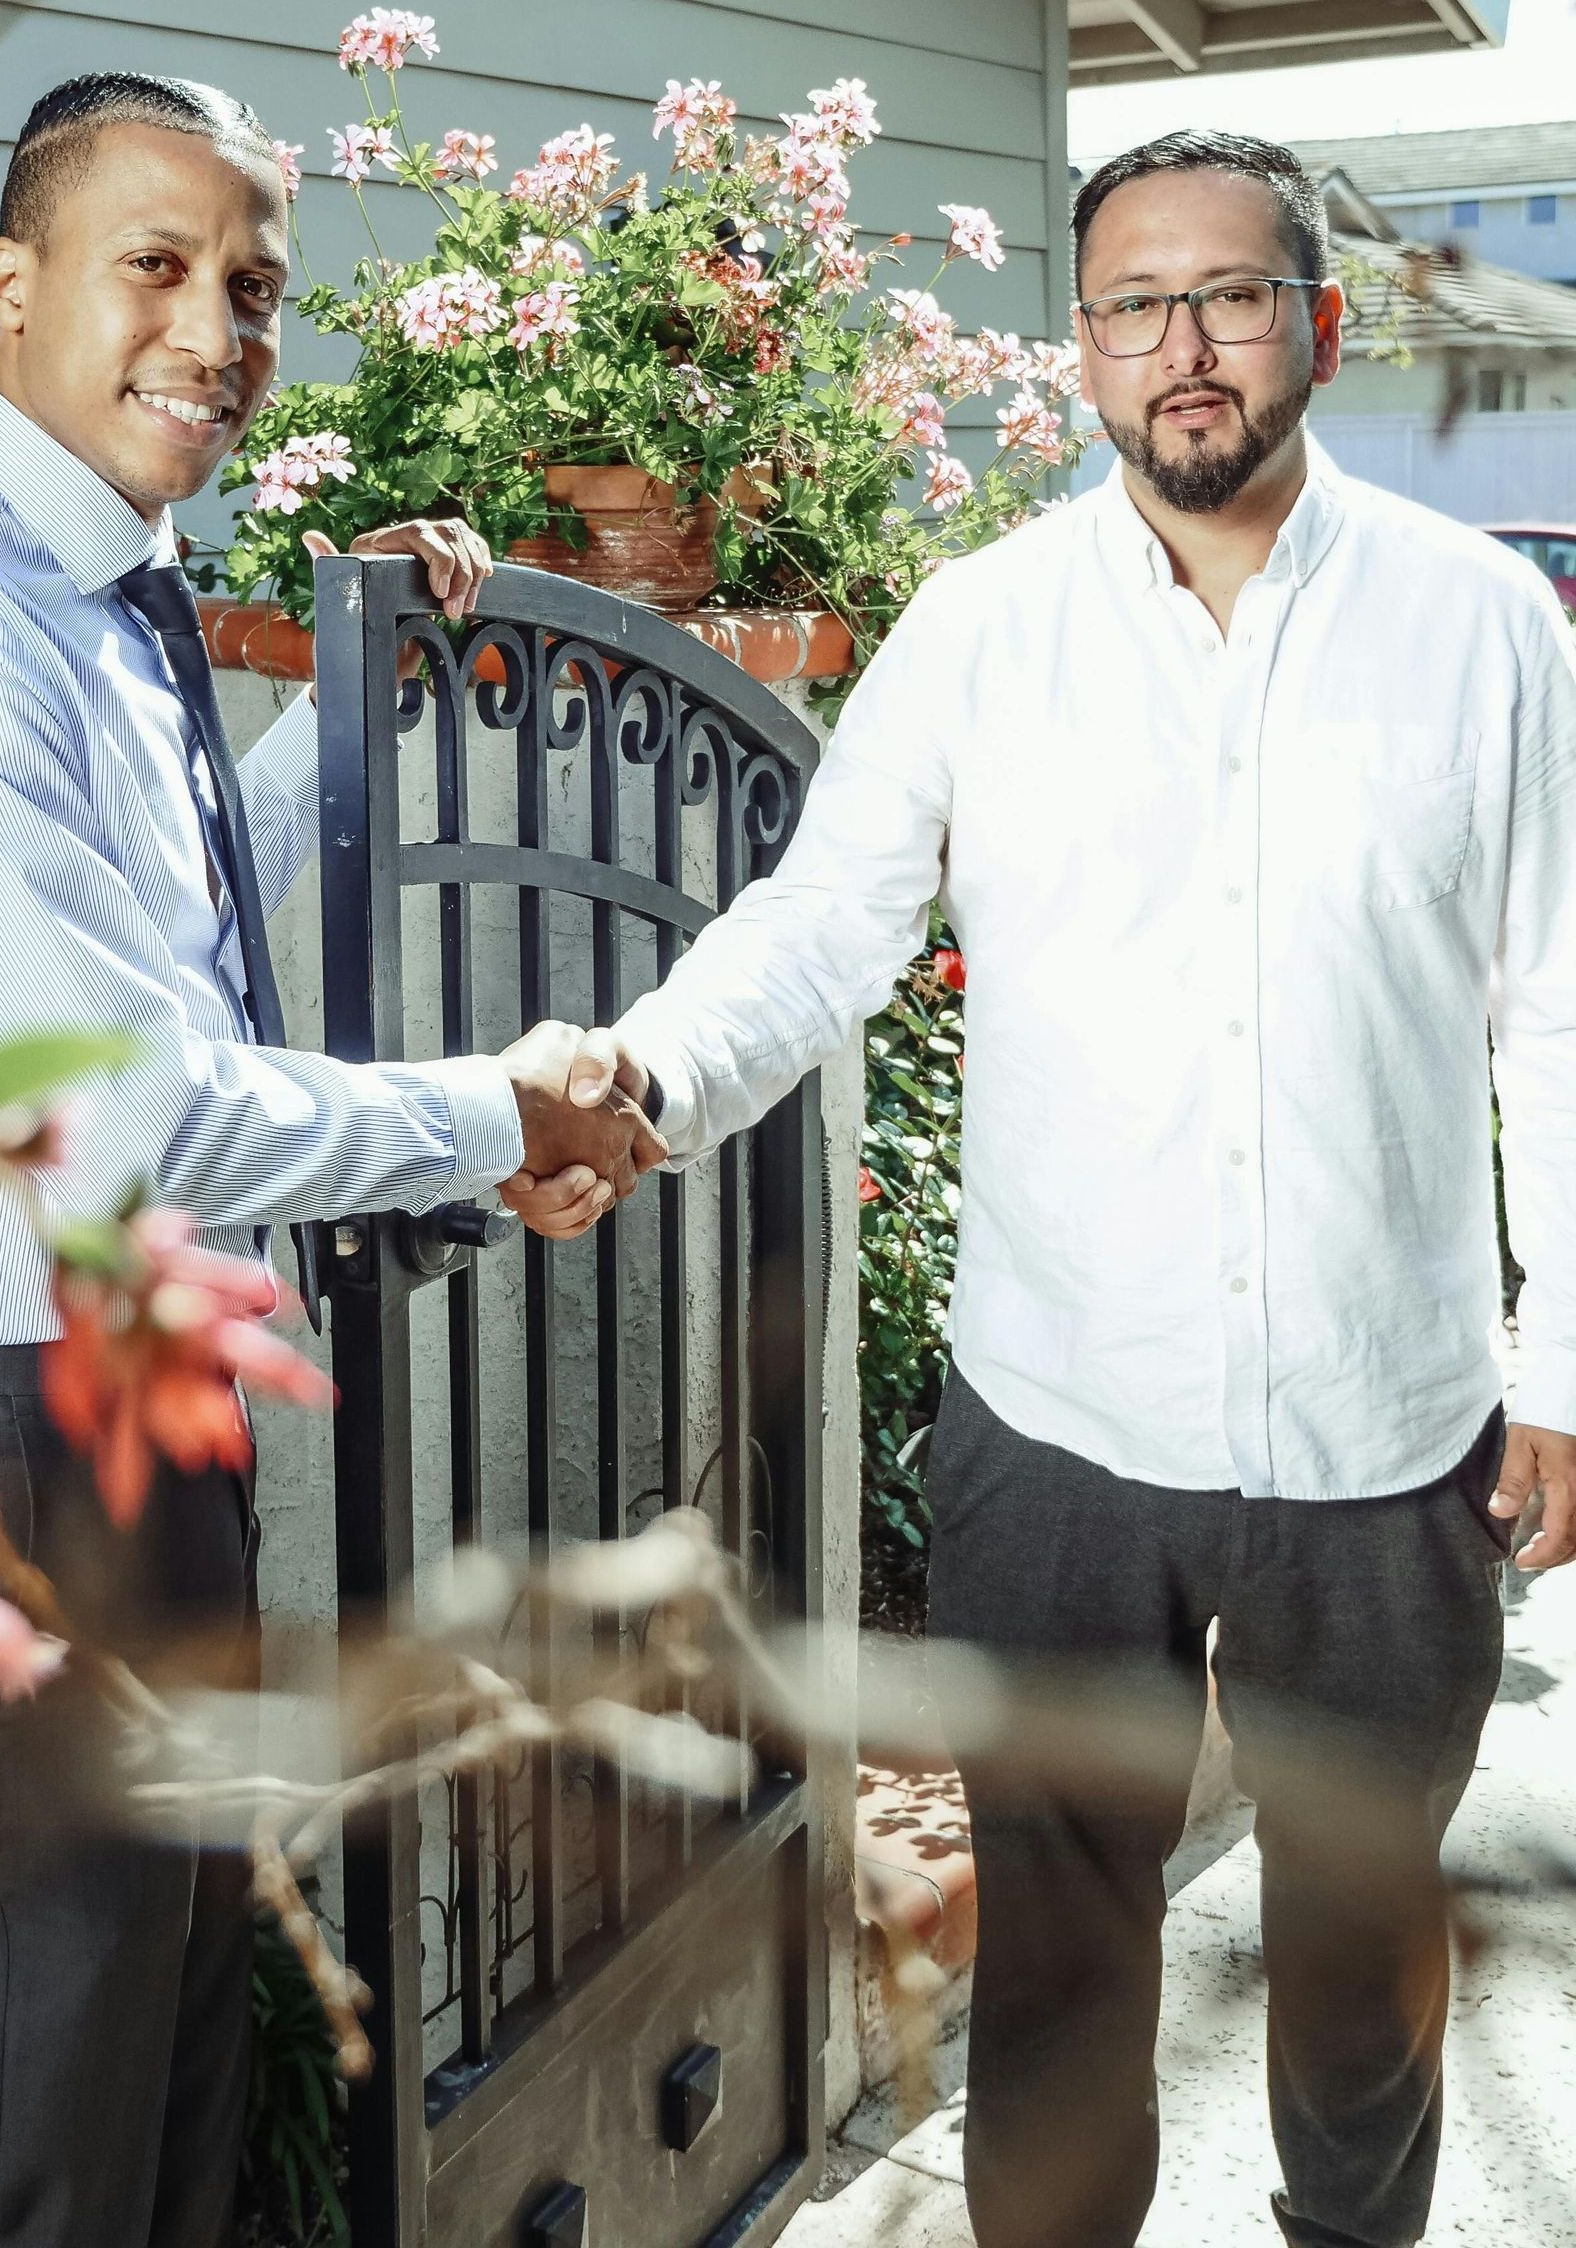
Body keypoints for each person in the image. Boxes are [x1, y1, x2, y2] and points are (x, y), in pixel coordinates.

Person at [511, 130, 1576, 2248]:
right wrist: (651, 1069)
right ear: (1080, 348)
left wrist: (1567, 1355)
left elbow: (1558, 1011)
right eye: (1135, 308)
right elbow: (826, 923)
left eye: (1233, 297)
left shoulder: (1483, 628)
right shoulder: (982, 628)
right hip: (1057, 1431)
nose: (1185, 350)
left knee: (1362, 1978)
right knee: (1069, 1984)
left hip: (1385, 1436)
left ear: (1321, 325)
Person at [0, 72, 661, 2248]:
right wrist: (499, 1110)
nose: (216, 327)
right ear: (7, 290)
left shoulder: (110, 592)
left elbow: (167, 933)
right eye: (155, 265)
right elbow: (125, 1101)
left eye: (251, 284)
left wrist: (349, 673)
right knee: (43, 2114)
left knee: (158, 2030)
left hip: (122, 1407)